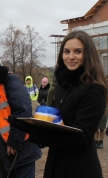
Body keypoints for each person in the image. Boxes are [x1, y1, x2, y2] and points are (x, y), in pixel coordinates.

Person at [9, 30, 108, 178]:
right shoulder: (61, 86)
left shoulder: (93, 89)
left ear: (88, 55)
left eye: (78, 51)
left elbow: (80, 140)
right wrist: (33, 125)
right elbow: (56, 125)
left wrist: (36, 133)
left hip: (79, 169)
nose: (71, 56)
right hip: (56, 164)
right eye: (66, 51)